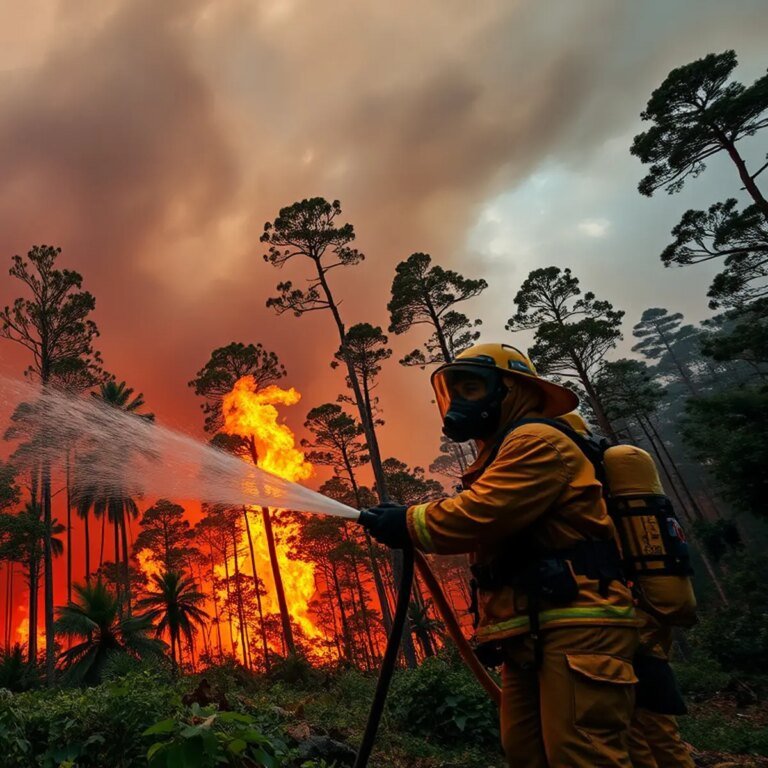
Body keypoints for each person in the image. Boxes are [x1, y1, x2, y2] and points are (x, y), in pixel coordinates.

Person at [365, 343, 639, 767]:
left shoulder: (537, 440)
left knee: (580, 755)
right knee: (526, 752)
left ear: (512, 391)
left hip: (576, 623)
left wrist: (408, 521)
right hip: (533, 628)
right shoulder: (499, 453)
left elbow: (481, 514)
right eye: (452, 394)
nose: (457, 405)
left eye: (472, 389)